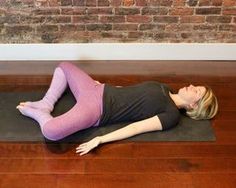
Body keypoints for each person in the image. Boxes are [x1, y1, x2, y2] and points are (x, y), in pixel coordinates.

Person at [16, 62, 218, 156]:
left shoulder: (171, 115)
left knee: (51, 132)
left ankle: (40, 114)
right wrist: (100, 84)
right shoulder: (164, 87)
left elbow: (136, 128)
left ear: (193, 106)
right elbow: (131, 91)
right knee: (64, 67)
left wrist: (100, 139)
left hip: (97, 108)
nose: (192, 86)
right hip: (97, 89)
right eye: (196, 85)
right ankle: (46, 103)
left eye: (196, 91)